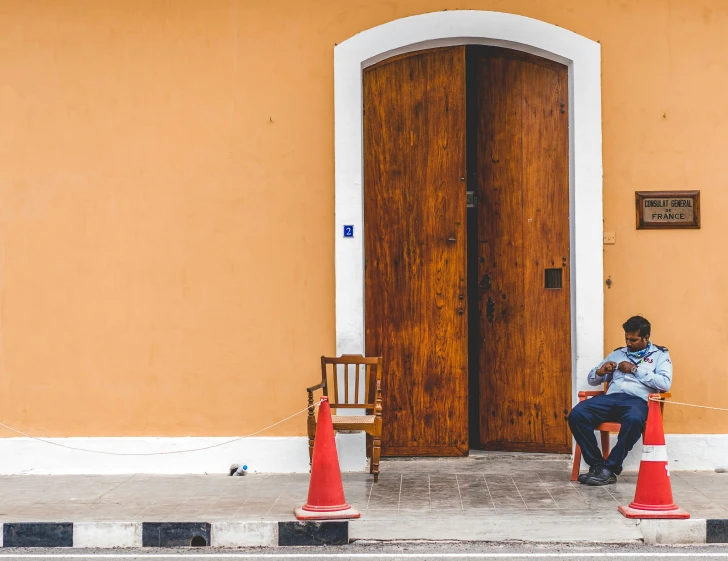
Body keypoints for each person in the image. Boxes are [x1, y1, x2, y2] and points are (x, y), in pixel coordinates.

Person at [568, 315, 672, 486]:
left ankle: (610, 468)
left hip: (636, 401)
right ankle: (597, 466)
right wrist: (601, 371)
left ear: (646, 338)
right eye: (626, 339)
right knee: (577, 414)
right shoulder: (617, 354)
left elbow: (665, 383)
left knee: (634, 419)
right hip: (611, 399)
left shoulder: (660, 355)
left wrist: (635, 370)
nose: (629, 343)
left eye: (634, 339)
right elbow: (592, 379)